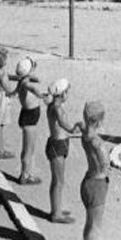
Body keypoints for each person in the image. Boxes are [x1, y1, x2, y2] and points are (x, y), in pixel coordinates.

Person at [76, 101, 109, 240]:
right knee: (95, 225)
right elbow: (105, 165)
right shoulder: (98, 143)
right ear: (99, 121)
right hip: (97, 184)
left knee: (89, 223)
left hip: (87, 180)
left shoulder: (85, 134)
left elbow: (82, 126)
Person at [46, 79, 80, 224]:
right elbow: (62, 123)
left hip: (59, 143)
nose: (68, 94)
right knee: (58, 181)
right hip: (57, 145)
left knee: (59, 180)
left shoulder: (54, 105)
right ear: (62, 93)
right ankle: (56, 214)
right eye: (67, 92)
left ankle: (57, 208)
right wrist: (74, 129)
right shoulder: (57, 108)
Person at [16, 57, 47, 185]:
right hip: (29, 118)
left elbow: (28, 81)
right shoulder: (25, 83)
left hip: (28, 116)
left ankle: (26, 173)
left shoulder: (22, 80)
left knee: (30, 147)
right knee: (28, 149)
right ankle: (25, 175)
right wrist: (41, 95)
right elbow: (31, 88)